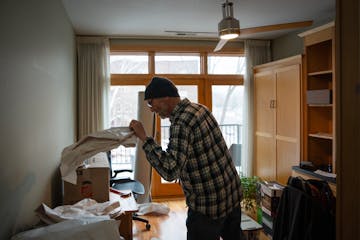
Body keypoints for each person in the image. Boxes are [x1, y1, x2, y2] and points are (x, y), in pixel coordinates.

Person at [129, 76, 243, 240]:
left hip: (208, 204)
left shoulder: (181, 123)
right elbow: (202, 152)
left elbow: (170, 171)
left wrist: (145, 139)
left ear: (165, 97)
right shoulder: (200, 109)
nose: (151, 109)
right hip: (231, 195)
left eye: (151, 103)